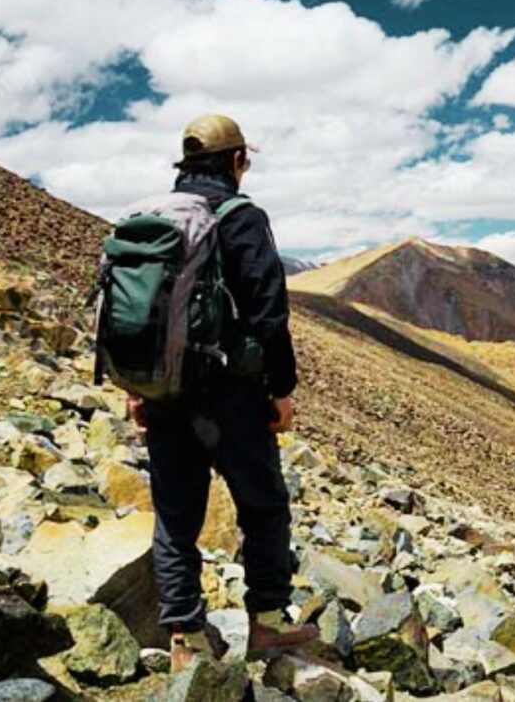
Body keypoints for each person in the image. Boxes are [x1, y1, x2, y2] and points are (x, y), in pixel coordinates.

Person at [127, 114, 318, 670]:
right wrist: (280, 390)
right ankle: (267, 624)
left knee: (175, 513)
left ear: (184, 167)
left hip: (162, 390)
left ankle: (185, 639)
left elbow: (135, 316)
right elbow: (267, 313)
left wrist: (139, 387)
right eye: (246, 159)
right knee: (262, 505)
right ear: (237, 161)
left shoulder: (152, 219)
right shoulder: (241, 217)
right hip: (230, 396)